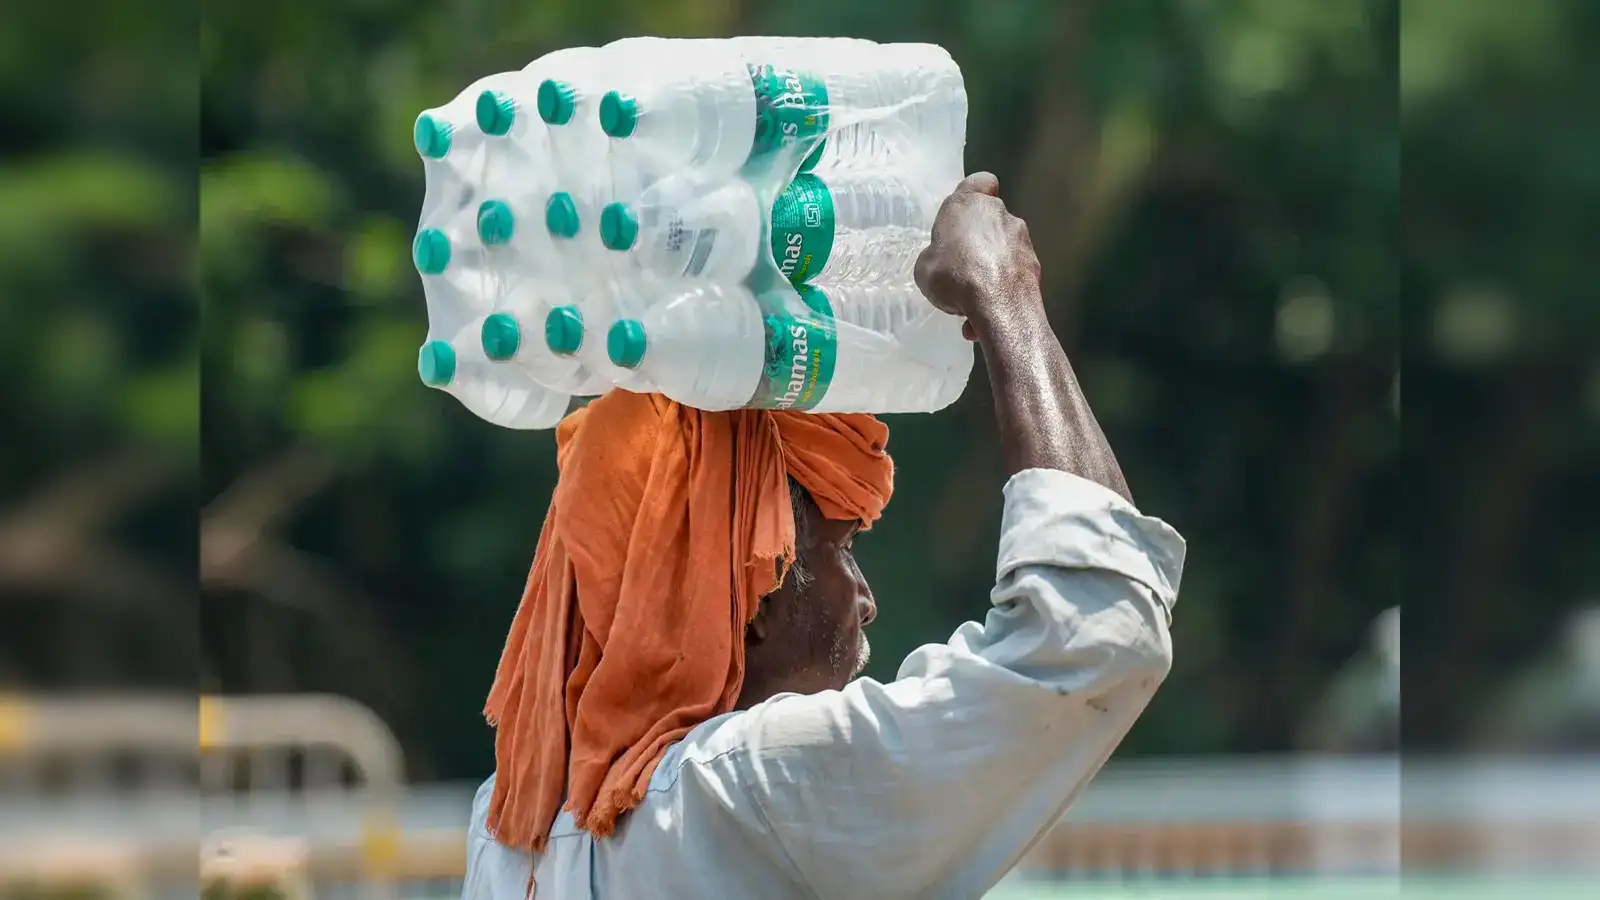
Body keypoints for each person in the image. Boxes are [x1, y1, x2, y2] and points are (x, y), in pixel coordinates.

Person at [462, 173, 1185, 899]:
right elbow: (1095, 632)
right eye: (840, 551)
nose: (865, 601)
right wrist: (1007, 294)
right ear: (743, 601)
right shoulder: (752, 788)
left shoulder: (508, 830)